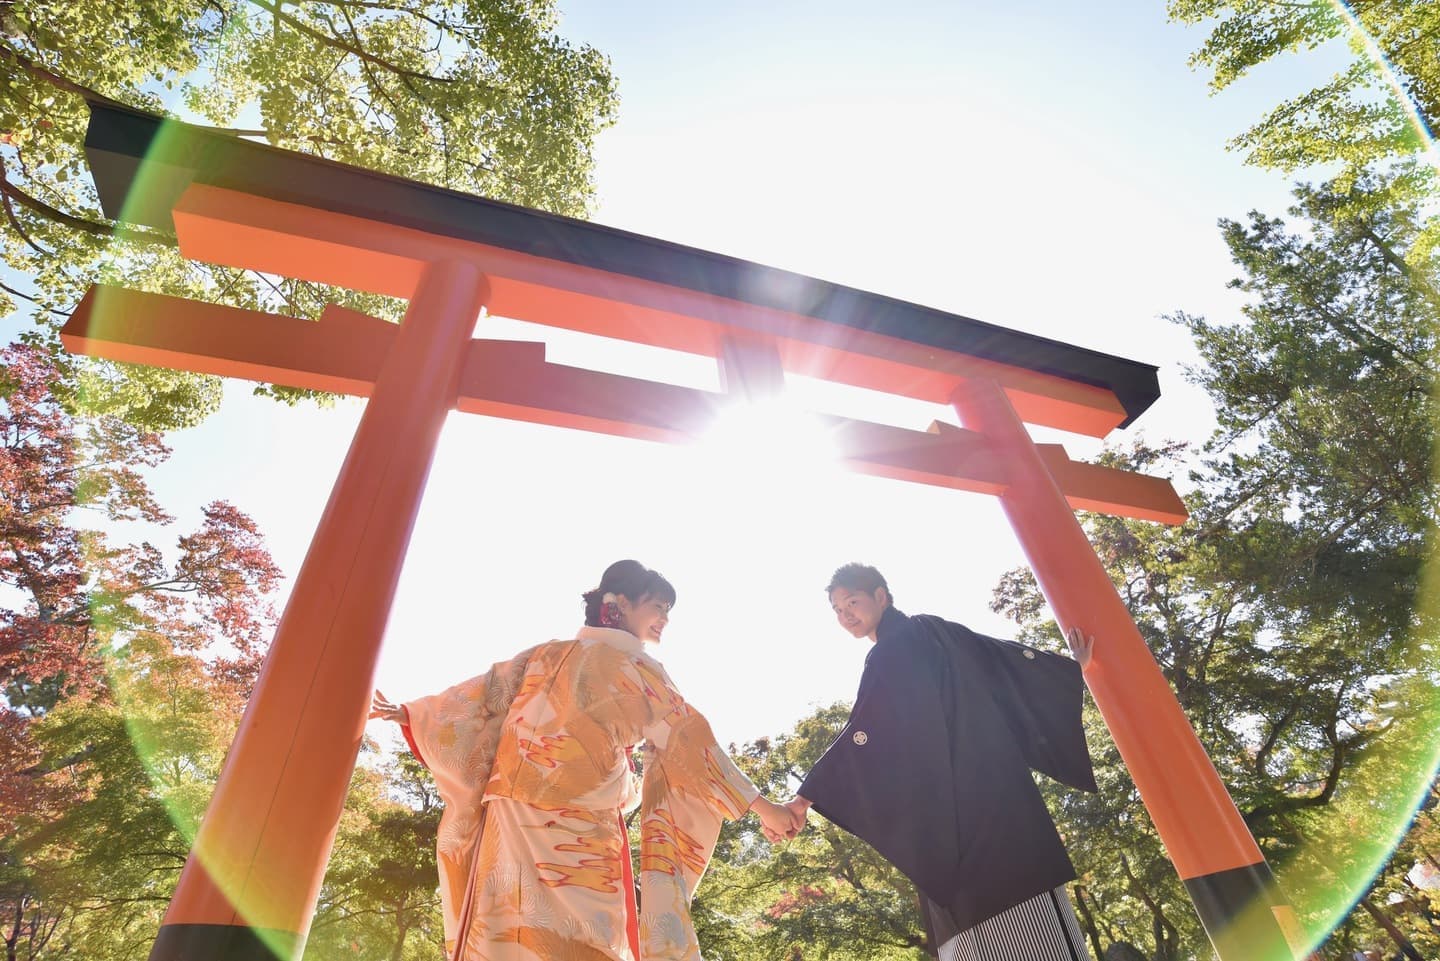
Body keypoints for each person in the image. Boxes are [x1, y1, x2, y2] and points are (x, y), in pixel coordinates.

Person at [370, 559, 800, 961]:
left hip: (558, 820)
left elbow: (687, 739)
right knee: (534, 931)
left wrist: (413, 714)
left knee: (531, 933)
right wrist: (407, 711)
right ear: (620, 604)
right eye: (658, 606)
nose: (665, 618)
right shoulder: (612, 664)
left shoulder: (562, 656)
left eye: (668, 609)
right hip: (532, 820)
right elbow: (689, 742)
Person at [782, 563, 1099, 961]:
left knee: (988, 918)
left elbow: (864, 731)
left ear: (881, 596)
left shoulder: (897, 648)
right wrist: (1066, 670)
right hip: (995, 808)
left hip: (966, 820)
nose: (846, 615)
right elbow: (1000, 661)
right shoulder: (932, 632)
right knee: (1019, 918)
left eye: (852, 602)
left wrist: (802, 800)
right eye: (837, 609)